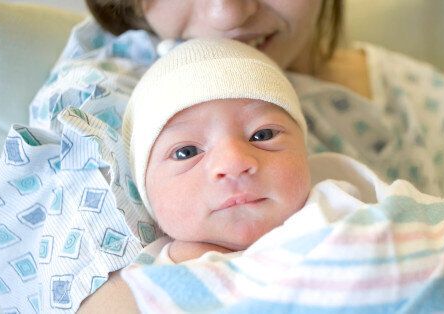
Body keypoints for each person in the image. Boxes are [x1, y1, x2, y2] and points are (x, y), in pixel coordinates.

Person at [0, 0, 444, 312]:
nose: (226, 14)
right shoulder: (112, 100)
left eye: (264, 135)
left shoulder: (423, 91)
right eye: (188, 151)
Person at [123, 38, 312, 262]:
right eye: (187, 152)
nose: (233, 162)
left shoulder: (341, 202)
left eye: (263, 135)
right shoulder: (164, 280)